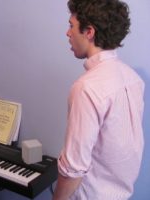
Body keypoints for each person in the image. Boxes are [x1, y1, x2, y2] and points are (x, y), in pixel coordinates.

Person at [53, 0, 145, 199]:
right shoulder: (133, 79)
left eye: (71, 26)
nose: (68, 33)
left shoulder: (87, 88)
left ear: (89, 32)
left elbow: (72, 169)